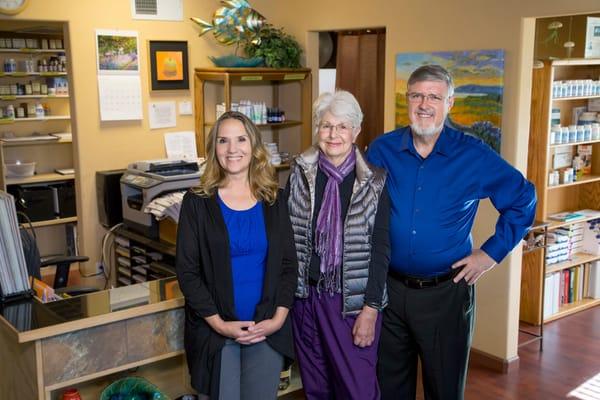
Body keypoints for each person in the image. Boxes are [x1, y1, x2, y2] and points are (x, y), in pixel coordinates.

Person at [367, 64, 537, 400]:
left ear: (450, 103)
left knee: (444, 389)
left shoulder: (472, 155)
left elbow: (523, 198)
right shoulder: (381, 150)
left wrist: (490, 254)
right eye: (416, 95)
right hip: (390, 291)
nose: (424, 104)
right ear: (407, 100)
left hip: (445, 293)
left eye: (434, 96)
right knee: (388, 388)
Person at [176, 111, 298, 400]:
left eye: (241, 139)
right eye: (223, 141)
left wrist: (278, 319)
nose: (233, 149)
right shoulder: (197, 203)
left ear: (254, 147)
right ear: (214, 149)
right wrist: (220, 324)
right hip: (216, 333)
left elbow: (288, 265)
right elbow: (188, 272)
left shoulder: (275, 199)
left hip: (265, 330)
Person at [286, 90, 391, 400]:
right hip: (306, 300)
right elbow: (287, 238)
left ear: (356, 131)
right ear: (317, 129)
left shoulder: (374, 182)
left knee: (357, 390)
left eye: (342, 126)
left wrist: (370, 311)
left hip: (351, 304)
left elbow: (381, 249)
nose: (333, 134)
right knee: (317, 389)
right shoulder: (299, 174)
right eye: (326, 125)